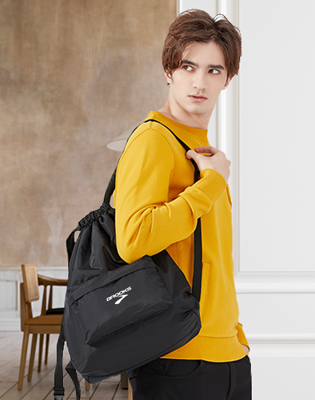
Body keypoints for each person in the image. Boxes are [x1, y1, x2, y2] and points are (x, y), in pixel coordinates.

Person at [114, 9, 251, 400]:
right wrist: (211, 184)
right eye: (188, 66)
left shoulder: (203, 151)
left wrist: (236, 336)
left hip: (226, 355)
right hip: (176, 358)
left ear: (227, 79)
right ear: (168, 71)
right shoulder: (154, 139)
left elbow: (214, 257)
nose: (199, 81)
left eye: (213, 70)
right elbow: (133, 239)